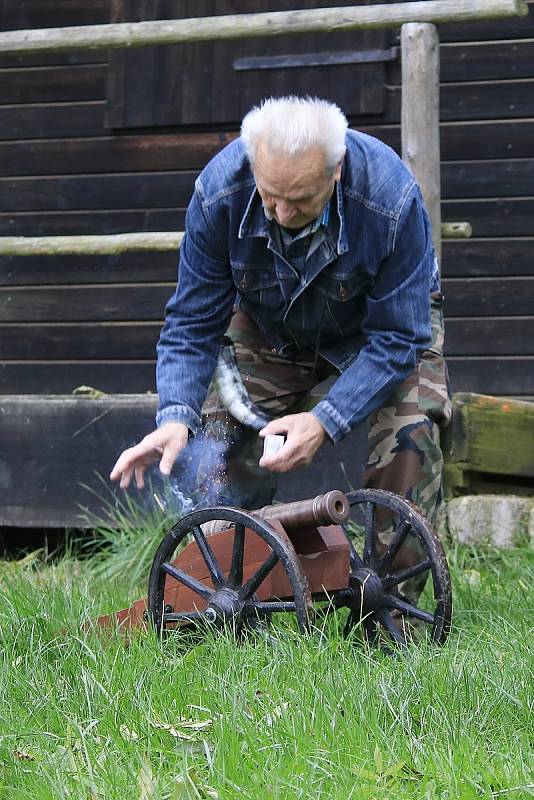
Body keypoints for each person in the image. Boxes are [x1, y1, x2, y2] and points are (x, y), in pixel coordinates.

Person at [110, 96, 451, 549]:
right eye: (271, 196)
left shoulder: (391, 199)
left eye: (301, 199)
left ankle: (388, 603)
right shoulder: (218, 195)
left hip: (385, 331)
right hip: (273, 329)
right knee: (216, 446)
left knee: (412, 433)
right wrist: (176, 415)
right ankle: (232, 599)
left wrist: (325, 420)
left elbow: (399, 338)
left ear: (336, 170)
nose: (283, 214)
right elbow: (193, 322)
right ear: (254, 164)